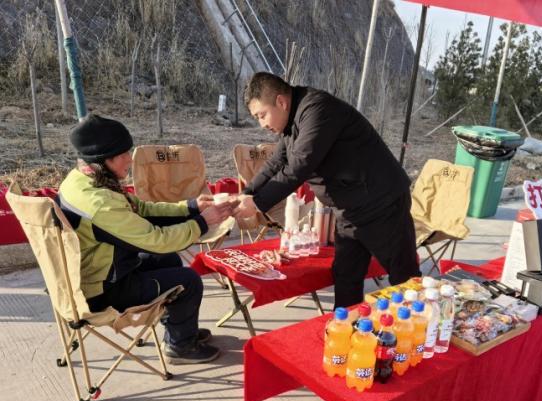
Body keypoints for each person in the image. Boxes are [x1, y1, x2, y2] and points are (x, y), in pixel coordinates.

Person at [57, 114, 238, 364]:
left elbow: (139, 208)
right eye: (124, 154)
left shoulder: (82, 179)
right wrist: (203, 222)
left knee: (168, 260)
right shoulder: (99, 204)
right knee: (189, 280)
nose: (130, 160)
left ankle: (179, 330)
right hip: (100, 292)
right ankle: (180, 347)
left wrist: (191, 207)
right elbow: (157, 240)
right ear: (105, 159)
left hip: (94, 272)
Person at [234, 72, 420, 307]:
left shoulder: (317, 109)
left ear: (280, 102)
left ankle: (420, 326)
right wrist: (247, 193)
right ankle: (345, 325)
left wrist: (257, 203)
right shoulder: (292, 121)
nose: (262, 124)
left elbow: (299, 166)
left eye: (262, 115)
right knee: (345, 274)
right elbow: (276, 162)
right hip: (349, 207)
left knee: (405, 279)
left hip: (380, 202)